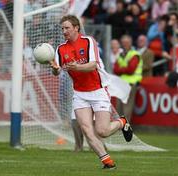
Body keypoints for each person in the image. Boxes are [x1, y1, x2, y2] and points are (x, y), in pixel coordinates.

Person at [50, 15, 133, 169]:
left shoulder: (88, 41)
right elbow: (57, 71)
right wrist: (55, 70)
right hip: (80, 93)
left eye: (67, 28)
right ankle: (108, 163)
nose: (64, 31)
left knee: (102, 131)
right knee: (87, 131)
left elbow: (92, 65)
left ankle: (122, 122)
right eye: (62, 28)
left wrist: (76, 67)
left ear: (76, 28)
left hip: (98, 90)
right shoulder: (61, 49)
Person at [113, 35, 143, 122]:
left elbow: (131, 70)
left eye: (127, 42)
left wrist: (121, 69)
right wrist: (124, 69)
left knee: (127, 108)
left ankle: (126, 129)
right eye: (123, 43)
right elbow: (115, 69)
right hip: (121, 83)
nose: (125, 44)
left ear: (130, 43)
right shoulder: (121, 54)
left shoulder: (135, 54)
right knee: (119, 107)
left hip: (130, 83)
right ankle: (119, 128)